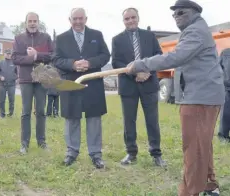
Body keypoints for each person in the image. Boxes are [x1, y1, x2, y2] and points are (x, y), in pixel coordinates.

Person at [126, 1, 224, 195]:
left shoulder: (195, 31)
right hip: (203, 96)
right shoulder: (196, 29)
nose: (177, 17)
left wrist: (140, 64)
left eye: (181, 12)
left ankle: (189, 191)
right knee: (201, 144)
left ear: (194, 13)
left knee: (194, 148)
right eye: (174, 15)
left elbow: (175, 57)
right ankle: (209, 185)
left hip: (200, 98)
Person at [52, 8, 110, 169]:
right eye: (74, 19)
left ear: (86, 19)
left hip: (93, 83)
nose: (78, 22)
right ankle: (71, 152)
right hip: (70, 83)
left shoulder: (97, 35)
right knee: (72, 119)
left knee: (94, 119)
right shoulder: (61, 38)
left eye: (81, 18)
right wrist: (73, 64)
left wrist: (90, 63)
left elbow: (106, 55)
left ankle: (96, 154)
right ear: (69, 19)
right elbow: (56, 59)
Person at [111, 7, 166, 167]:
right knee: (129, 121)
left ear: (138, 18)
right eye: (127, 19)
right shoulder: (117, 39)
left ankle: (156, 154)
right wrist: (135, 74)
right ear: (123, 21)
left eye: (133, 17)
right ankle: (131, 152)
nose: (130, 21)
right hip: (129, 85)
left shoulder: (149, 36)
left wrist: (148, 71)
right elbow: (116, 62)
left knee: (152, 120)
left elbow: (159, 55)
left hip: (149, 83)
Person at [12, 12, 53, 154]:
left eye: (35, 21)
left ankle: (42, 142)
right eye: (30, 21)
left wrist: (37, 55)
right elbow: (16, 58)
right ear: (26, 22)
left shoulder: (46, 38)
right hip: (26, 79)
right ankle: (24, 144)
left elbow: (52, 56)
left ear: (38, 22)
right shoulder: (19, 38)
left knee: (41, 111)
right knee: (26, 112)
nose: (32, 23)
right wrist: (31, 59)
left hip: (42, 78)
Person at [0, 49, 17, 118]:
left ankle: (10, 113)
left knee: (11, 100)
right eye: (7, 54)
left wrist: (14, 78)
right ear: (4, 54)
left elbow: (18, 73)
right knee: (1, 100)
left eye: (10, 54)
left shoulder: (14, 63)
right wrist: (0, 77)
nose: (8, 55)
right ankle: (2, 114)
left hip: (12, 85)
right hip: (2, 85)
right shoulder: (0, 63)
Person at [218, 48, 230, 142]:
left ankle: (223, 136)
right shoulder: (225, 52)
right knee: (226, 112)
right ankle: (223, 136)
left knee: (225, 112)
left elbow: (218, 68)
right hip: (227, 86)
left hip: (226, 85)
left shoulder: (225, 52)